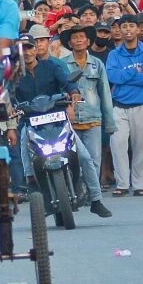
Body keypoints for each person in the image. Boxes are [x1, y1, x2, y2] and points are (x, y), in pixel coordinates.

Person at [13, 26, 110, 217]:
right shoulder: (14, 74)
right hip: (31, 123)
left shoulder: (51, 66)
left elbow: (67, 81)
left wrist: (73, 92)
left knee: (84, 156)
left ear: (35, 49)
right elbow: (8, 93)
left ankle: (96, 200)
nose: (27, 52)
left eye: (29, 47)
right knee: (25, 151)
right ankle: (32, 186)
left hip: (58, 120)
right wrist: (11, 106)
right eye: (22, 49)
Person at [58, 23, 115, 198]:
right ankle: (76, 191)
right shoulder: (62, 64)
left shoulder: (97, 64)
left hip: (93, 119)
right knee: (73, 158)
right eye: (75, 38)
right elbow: (59, 91)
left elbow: (105, 93)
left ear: (88, 41)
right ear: (70, 42)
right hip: (71, 120)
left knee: (94, 159)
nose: (79, 40)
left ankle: (93, 193)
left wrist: (109, 123)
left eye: (82, 37)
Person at [106, 14, 143, 196]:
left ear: (137, 29)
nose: (127, 29)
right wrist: (135, 71)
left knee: (141, 146)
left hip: (141, 105)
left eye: (131, 26)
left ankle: (139, 185)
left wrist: (125, 74)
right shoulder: (114, 54)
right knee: (118, 146)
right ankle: (122, 184)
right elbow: (112, 77)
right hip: (119, 106)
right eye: (124, 26)